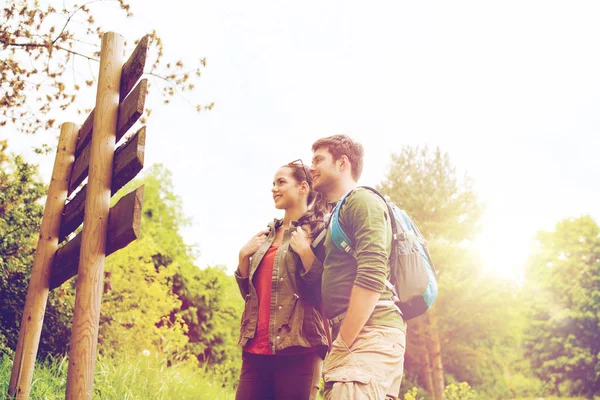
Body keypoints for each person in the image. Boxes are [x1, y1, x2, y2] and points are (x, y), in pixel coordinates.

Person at [309, 134, 406, 400]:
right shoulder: (339, 212)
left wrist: (342, 343)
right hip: (361, 336)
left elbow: (373, 274)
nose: (311, 167)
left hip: (369, 334)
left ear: (342, 164)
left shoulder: (362, 201)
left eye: (318, 160)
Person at [234, 160, 329, 400]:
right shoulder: (265, 235)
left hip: (298, 349)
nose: (274, 189)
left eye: (281, 182)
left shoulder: (318, 231)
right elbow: (251, 294)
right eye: (273, 184)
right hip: (255, 348)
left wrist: (306, 253)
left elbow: (322, 292)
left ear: (303, 187)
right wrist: (243, 257)